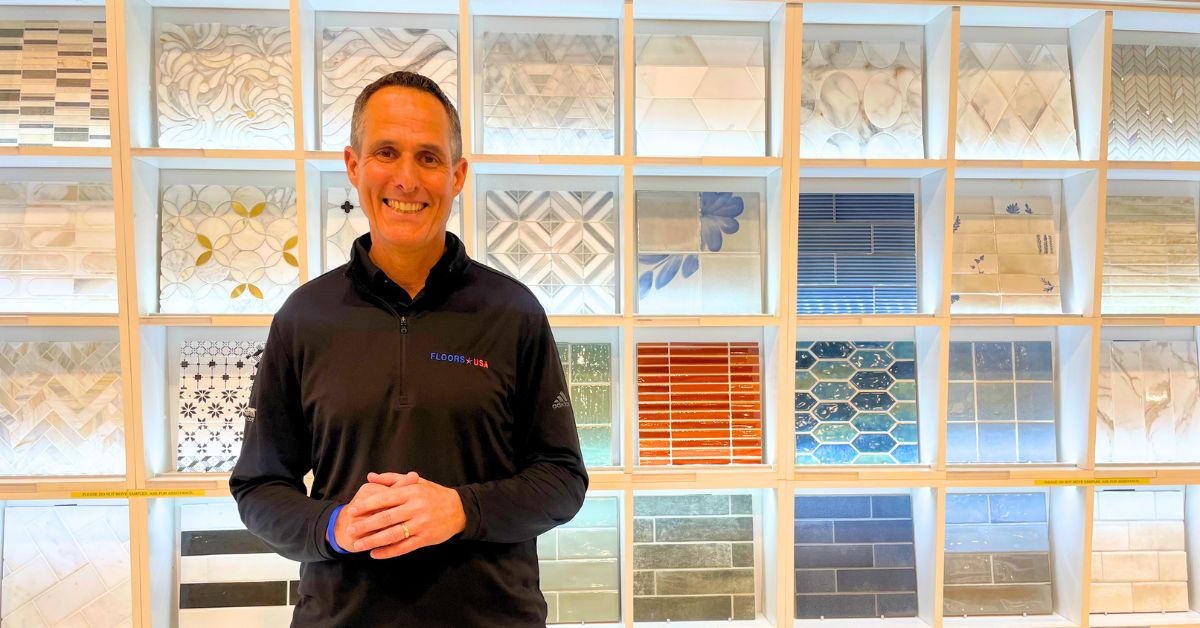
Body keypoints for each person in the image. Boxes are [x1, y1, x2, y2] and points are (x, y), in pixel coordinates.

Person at [230, 70, 589, 627]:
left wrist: (460, 510)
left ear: (457, 175)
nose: (406, 178)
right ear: (354, 166)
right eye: (386, 153)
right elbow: (258, 486)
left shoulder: (513, 312)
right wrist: (334, 526)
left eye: (428, 158)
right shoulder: (303, 317)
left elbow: (562, 479)